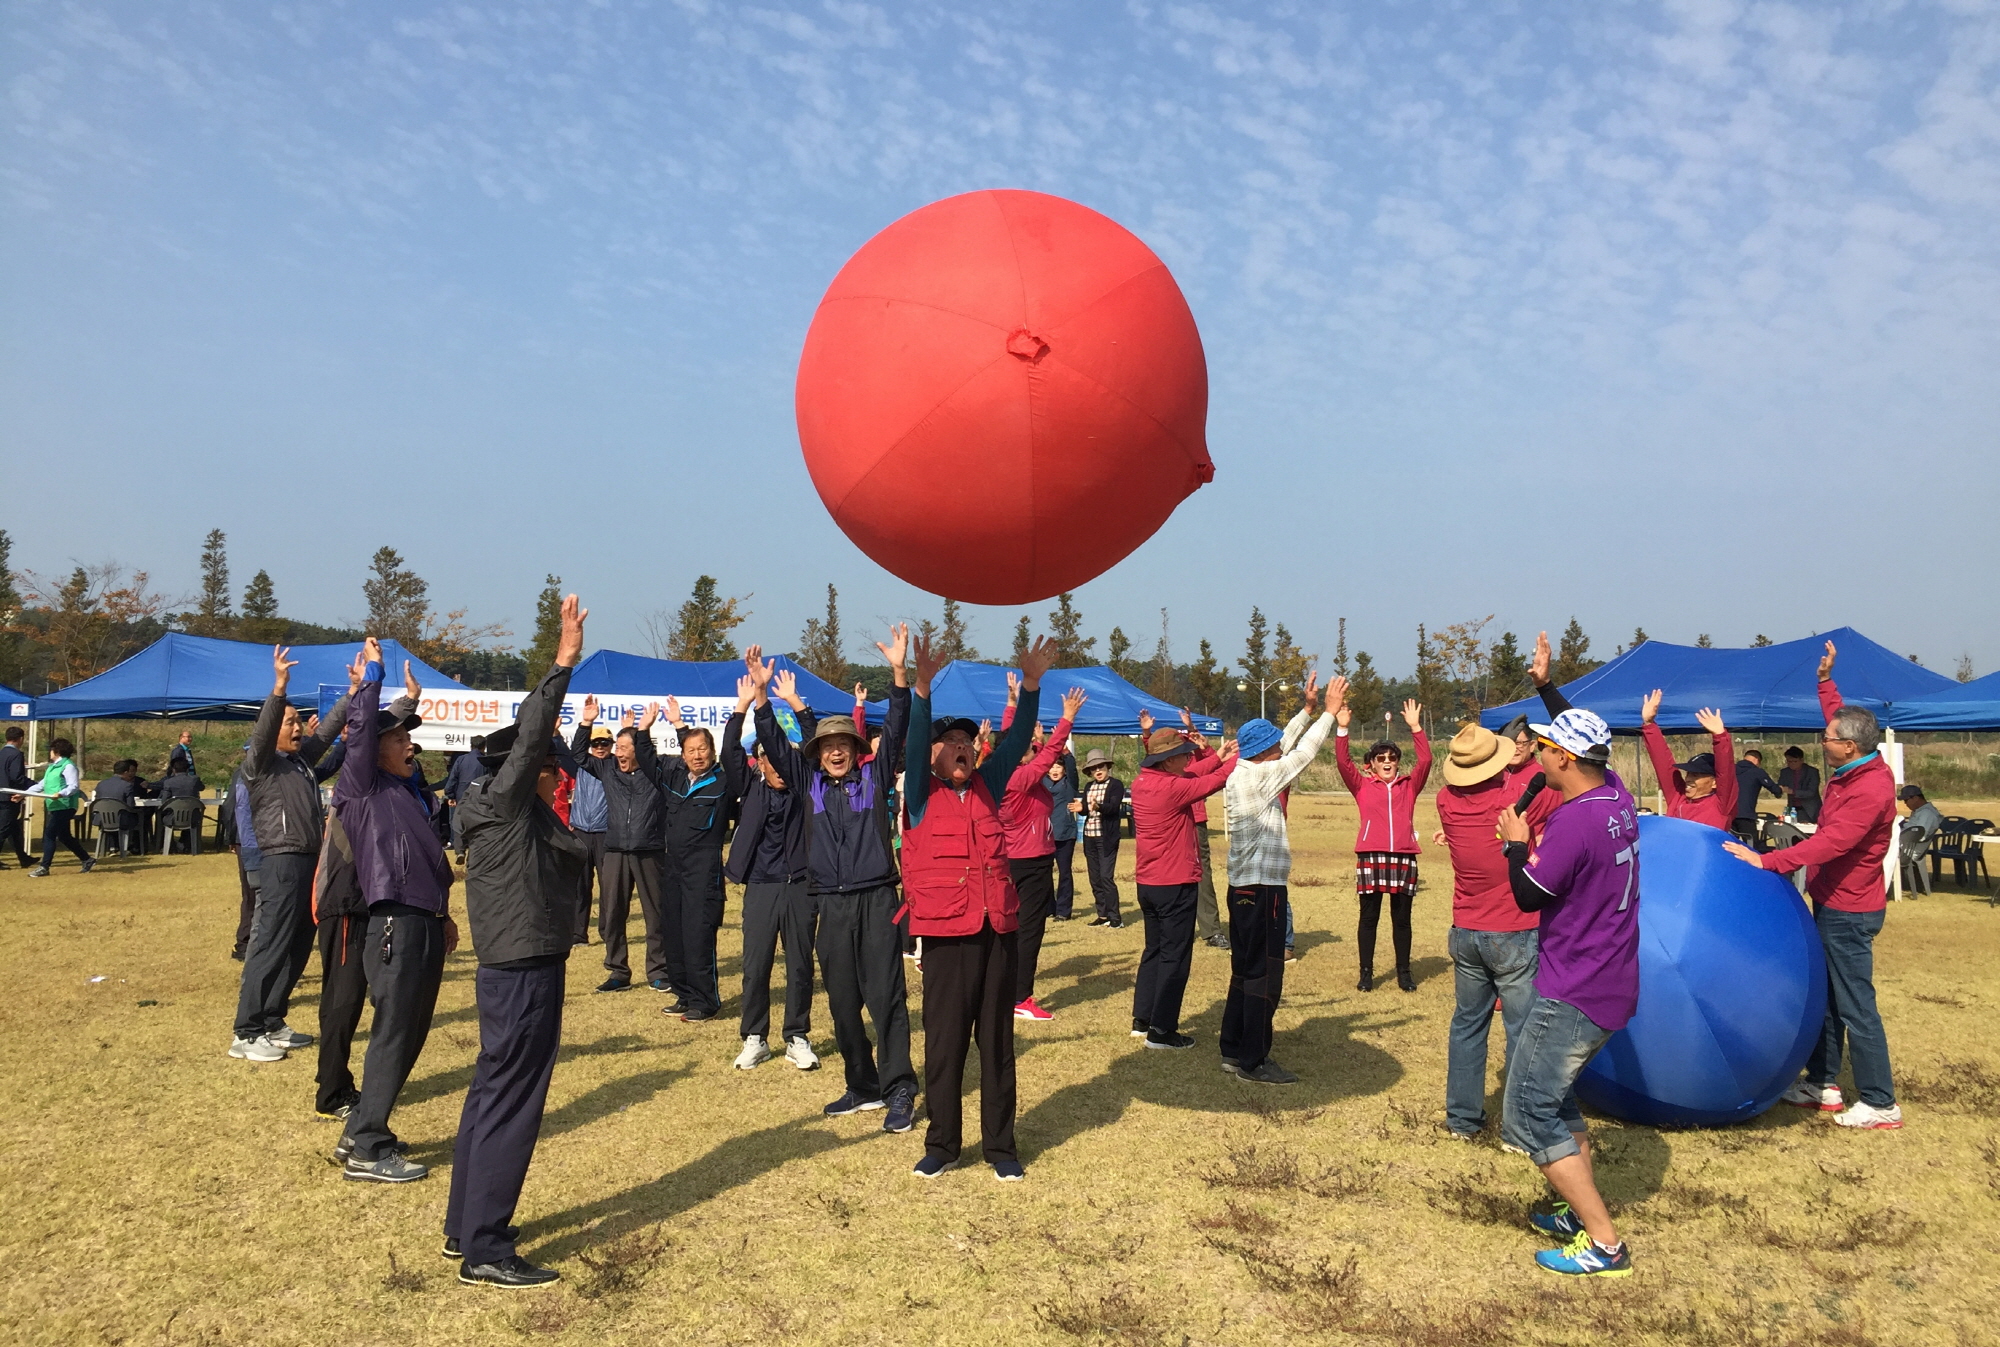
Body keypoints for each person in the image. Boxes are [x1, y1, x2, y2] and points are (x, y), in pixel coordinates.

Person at [443, 593, 589, 1288]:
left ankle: (464, 1226)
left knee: (491, 1087)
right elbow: (531, 736)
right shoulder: (505, 802)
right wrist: (562, 663)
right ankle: (487, 1247)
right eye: (549, 763)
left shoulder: (493, 809)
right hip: (524, 963)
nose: (556, 770)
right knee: (513, 1097)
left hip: (512, 961)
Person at [901, 632, 1062, 1180]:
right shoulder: (920, 794)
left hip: (998, 932)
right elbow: (915, 738)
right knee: (945, 1045)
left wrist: (1032, 686)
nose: (959, 747)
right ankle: (942, 1145)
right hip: (947, 937)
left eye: (966, 741)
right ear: (933, 754)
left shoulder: (992, 783)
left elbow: (1015, 742)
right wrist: (922, 689)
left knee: (996, 1044)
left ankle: (1001, 1148)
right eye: (948, 741)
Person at [1722, 640, 1901, 1130]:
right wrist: (1825, 682)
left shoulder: (1871, 788)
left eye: (1828, 738)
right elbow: (1837, 718)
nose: (1822, 740)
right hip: (1829, 901)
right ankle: (1823, 1083)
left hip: (1850, 911)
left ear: (1849, 747)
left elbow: (1832, 844)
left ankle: (1881, 1102)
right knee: (1826, 998)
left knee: (1855, 1005)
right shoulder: (1854, 762)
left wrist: (1769, 861)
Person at [752, 624, 915, 1131]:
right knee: (843, 1003)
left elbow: (899, 725)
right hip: (831, 904)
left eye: (844, 743)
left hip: (876, 900)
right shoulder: (809, 784)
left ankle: (899, 1088)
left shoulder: (874, 776)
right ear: (818, 753)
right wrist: (761, 697)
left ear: (856, 748)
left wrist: (898, 673)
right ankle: (862, 1085)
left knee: (886, 999)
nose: (836, 751)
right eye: (828, 746)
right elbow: (774, 744)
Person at [1495, 706, 1639, 1278]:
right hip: (1610, 977)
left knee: (1528, 1112)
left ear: (1566, 758)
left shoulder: (1574, 821)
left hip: (1575, 988)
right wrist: (1546, 688)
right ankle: (1576, 1213)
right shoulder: (1617, 797)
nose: (1539, 753)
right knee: (1555, 1099)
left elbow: (1529, 896)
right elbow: (1586, 741)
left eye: (1547, 746)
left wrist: (1516, 844)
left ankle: (1604, 1243)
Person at [331, 641, 458, 1183]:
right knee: (395, 1032)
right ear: (375, 749)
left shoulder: (405, 792)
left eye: (410, 738)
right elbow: (361, 731)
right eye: (401, 739)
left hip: (422, 919)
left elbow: (426, 862)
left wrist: (443, 915)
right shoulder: (360, 785)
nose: (411, 746)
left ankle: (359, 1129)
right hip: (394, 922)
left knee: (410, 1031)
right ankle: (368, 1146)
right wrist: (372, 678)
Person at [229, 648, 346, 1062]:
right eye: (289, 722)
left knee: (298, 944)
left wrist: (353, 694)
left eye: (298, 721)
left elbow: (326, 733)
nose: (297, 728)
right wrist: (279, 690)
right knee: (271, 944)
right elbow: (264, 731)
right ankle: (246, 1032)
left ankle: (272, 1019)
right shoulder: (260, 764)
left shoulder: (300, 763)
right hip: (281, 860)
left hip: (309, 859)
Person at [1221, 673, 1336, 1084]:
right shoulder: (1261, 776)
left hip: (1242, 889)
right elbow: (1301, 754)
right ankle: (1253, 1060)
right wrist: (1328, 714)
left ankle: (1233, 1049)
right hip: (1263, 891)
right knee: (1264, 976)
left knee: (1244, 971)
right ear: (1264, 754)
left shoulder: (1244, 771)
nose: (1278, 749)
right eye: (1273, 747)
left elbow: (1283, 745)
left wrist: (1306, 710)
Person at [1433, 719, 1544, 1140]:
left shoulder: (1445, 800)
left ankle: (1462, 1120)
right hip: (1513, 928)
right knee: (1522, 1030)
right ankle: (1520, 1126)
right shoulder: (1514, 799)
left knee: (1467, 1025)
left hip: (1466, 928)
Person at [722, 663, 821, 1071]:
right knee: (755, 964)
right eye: (769, 759)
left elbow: (814, 745)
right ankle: (755, 1037)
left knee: (800, 964)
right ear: (759, 762)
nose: (778, 767)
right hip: (761, 885)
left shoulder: (804, 788)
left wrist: (796, 703)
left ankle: (797, 1035)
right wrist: (742, 706)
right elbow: (729, 752)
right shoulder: (749, 787)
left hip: (800, 885)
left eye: (783, 758)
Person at [1129, 718, 1239, 1050]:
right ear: (1167, 761)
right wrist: (1241, 757)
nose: (1188, 758)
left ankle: (1143, 1019)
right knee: (1175, 957)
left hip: (1149, 882)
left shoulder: (1143, 783)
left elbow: (1193, 775)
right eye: (1183, 754)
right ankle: (1162, 1030)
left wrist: (1216, 757)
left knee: (1154, 950)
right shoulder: (1173, 789)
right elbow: (1214, 781)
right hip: (1174, 881)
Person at [571, 696, 669, 994]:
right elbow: (578, 755)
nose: (619, 753)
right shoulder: (608, 770)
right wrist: (586, 722)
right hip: (614, 850)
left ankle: (658, 971)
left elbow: (655, 755)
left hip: (649, 850)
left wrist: (642, 730)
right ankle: (617, 971)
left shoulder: (656, 774)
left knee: (656, 914)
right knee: (612, 912)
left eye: (625, 748)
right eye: (618, 748)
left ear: (639, 750)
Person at [1000, 686, 1086, 1022]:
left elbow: (1012, 742)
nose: (1032, 749)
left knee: (1010, 928)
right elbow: (1048, 755)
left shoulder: (1002, 773)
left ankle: (1006, 991)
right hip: (1030, 862)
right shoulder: (1020, 778)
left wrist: (1011, 705)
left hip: (1012, 859)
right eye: (1027, 747)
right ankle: (1020, 997)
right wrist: (1066, 720)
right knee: (1029, 931)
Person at [1334, 698, 1432, 992]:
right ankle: (1366, 973)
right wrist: (1342, 729)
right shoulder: (1362, 785)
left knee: (1402, 920)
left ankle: (1404, 973)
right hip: (1371, 855)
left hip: (1403, 856)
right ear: (1372, 764)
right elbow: (1343, 763)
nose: (1387, 762)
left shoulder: (1409, 785)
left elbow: (1426, 761)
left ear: (1397, 761)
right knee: (1369, 918)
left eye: (1391, 757)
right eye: (1380, 758)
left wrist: (1416, 727)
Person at [656, 695, 733, 1022]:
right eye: (691, 751)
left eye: (702, 749)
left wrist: (681, 725)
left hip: (704, 873)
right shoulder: (676, 780)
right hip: (673, 869)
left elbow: (734, 757)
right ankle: (684, 994)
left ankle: (705, 1002)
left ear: (712, 752)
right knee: (674, 935)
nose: (697, 755)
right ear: (683, 755)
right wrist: (674, 725)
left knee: (698, 936)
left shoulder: (723, 783)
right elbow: (645, 758)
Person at [1637, 689, 1738, 831]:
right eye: (1689, 774)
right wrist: (1649, 724)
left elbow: (1726, 772)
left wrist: (1720, 737)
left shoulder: (1721, 804)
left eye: (1696, 775)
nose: (1689, 779)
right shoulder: (1677, 797)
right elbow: (1664, 765)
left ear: (1714, 782)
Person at [561, 727, 609, 945]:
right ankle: (578, 933)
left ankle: (608, 932)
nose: (600, 747)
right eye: (595, 744)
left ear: (611, 745)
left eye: (604, 743)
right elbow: (568, 752)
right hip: (581, 831)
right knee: (580, 885)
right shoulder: (580, 765)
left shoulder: (615, 767)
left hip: (606, 833)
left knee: (608, 886)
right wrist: (584, 724)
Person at [23, 738, 92, 876]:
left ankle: (44, 867)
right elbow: (41, 785)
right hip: (55, 806)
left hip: (65, 805)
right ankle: (87, 859)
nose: (49, 752)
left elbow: (73, 786)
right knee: (64, 836)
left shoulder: (68, 766)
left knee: (49, 834)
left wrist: (61, 793)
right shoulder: (52, 767)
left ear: (57, 751)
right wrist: (23, 794)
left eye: (51, 749)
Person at [1078, 749, 1126, 927]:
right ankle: (1103, 915)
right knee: (1095, 878)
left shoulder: (1116, 785)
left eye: (1101, 766)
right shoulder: (1089, 787)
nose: (1098, 770)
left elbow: (1113, 807)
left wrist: (1099, 807)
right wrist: (1080, 808)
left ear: (1107, 767)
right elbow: (1086, 809)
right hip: (1089, 836)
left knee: (1106, 877)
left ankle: (1115, 918)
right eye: (1094, 768)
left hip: (1106, 838)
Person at [222, 755, 260, 959]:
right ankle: (245, 941)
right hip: (251, 839)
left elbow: (230, 806)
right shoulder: (249, 772)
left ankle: (246, 941)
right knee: (254, 893)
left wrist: (230, 836)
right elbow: (232, 807)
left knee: (251, 893)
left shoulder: (242, 771)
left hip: (245, 839)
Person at [93, 759, 157, 855]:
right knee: (139, 817)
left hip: (102, 819)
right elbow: (130, 805)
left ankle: (112, 847)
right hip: (121, 820)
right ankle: (136, 847)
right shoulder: (127, 786)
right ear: (126, 772)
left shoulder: (101, 784)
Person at [441, 736, 487, 862]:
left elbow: (453, 778)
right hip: (479, 797)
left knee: (458, 823)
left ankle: (460, 851)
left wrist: (450, 795)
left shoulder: (461, 759)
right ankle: (474, 851)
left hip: (461, 796)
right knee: (477, 824)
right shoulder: (485, 761)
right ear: (484, 747)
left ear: (471, 745)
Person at [1048, 748, 1079, 921]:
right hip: (1045, 835)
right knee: (1044, 874)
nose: (1054, 770)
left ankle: (1063, 910)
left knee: (1064, 873)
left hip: (1065, 835)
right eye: (1051, 767)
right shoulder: (1042, 783)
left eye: (1058, 767)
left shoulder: (1069, 783)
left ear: (1064, 770)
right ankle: (1048, 908)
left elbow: (1072, 769)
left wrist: (1066, 753)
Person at [0, 726, 34, 868]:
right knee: (3, 829)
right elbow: (17, 777)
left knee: (13, 829)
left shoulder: (1, 753)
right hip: (10, 797)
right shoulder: (16, 755)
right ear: (20, 739)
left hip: (2, 795)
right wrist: (35, 785)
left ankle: (23, 858)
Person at [1733, 749, 1785, 839]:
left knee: (1730, 844)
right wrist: (1780, 790)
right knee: (1751, 843)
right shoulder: (1757, 772)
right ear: (1757, 760)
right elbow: (1774, 788)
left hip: (1729, 814)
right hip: (1746, 815)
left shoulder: (1731, 770)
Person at [1779, 746, 1822, 823]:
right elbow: (1780, 787)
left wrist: (1792, 792)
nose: (1792, 764)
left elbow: (1811, 792)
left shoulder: (1812, 772)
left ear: (1802, 760)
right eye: (1789, 761)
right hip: (1792, 808)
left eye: (1795, 761)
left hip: (1809, 810)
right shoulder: (1785, 772)